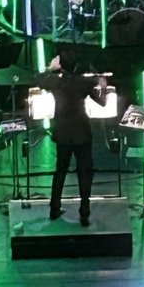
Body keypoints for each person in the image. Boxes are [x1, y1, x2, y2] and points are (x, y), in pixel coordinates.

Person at [38, 47, 96, 226]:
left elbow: (36, 79)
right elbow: (101, 100)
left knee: (60, 170)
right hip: (81, 133)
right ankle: (84, 212)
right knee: (84, 173)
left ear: (61, 66)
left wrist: (50, 68)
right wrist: (100, 85)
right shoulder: (83, 83)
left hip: (63, 133)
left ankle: (54, 208)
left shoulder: (55, 82)